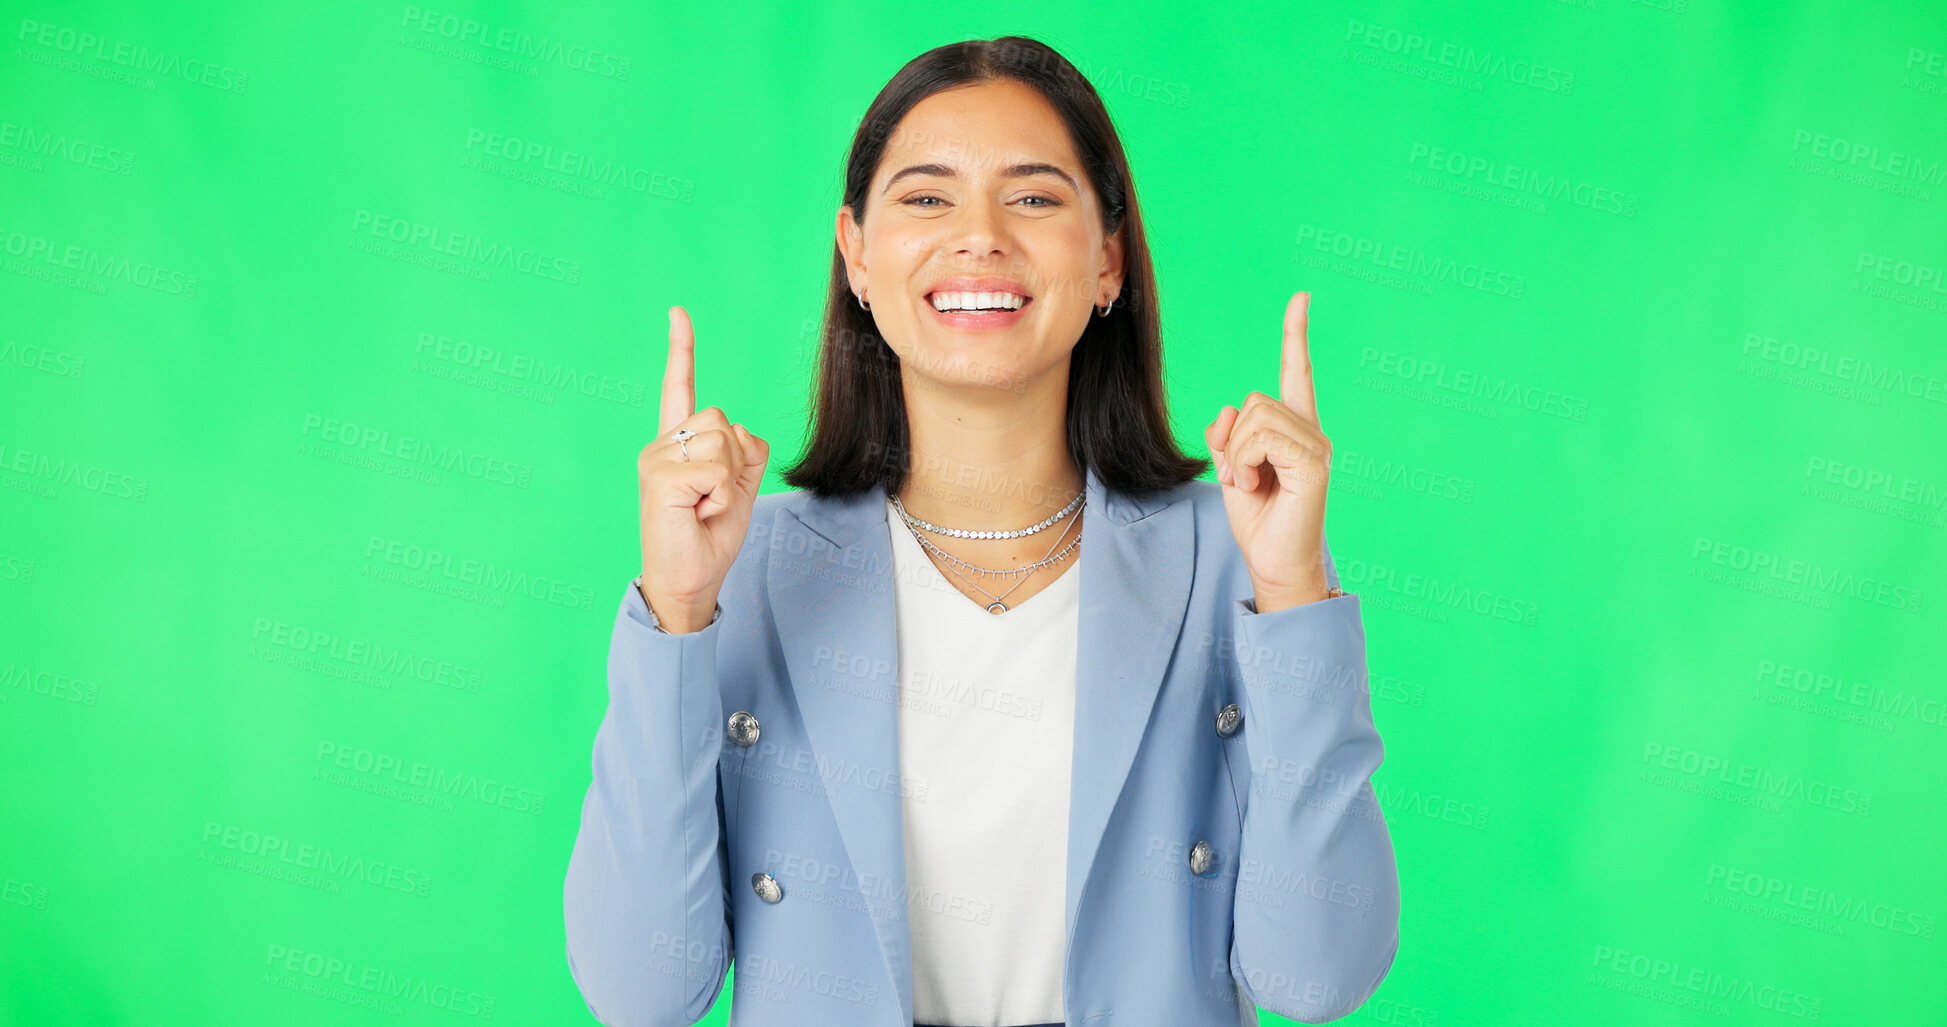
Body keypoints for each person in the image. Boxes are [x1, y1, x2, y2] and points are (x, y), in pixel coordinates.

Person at [564, 35, 1399, 1027]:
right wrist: (677, 610)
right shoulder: (740, 566)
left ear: (1107, 261)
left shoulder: (1238, 559)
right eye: (926, 196)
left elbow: (1317, 979)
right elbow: (639, 990)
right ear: (858, 257)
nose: (979, 236)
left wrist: (1297, 586)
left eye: (1036, 196)